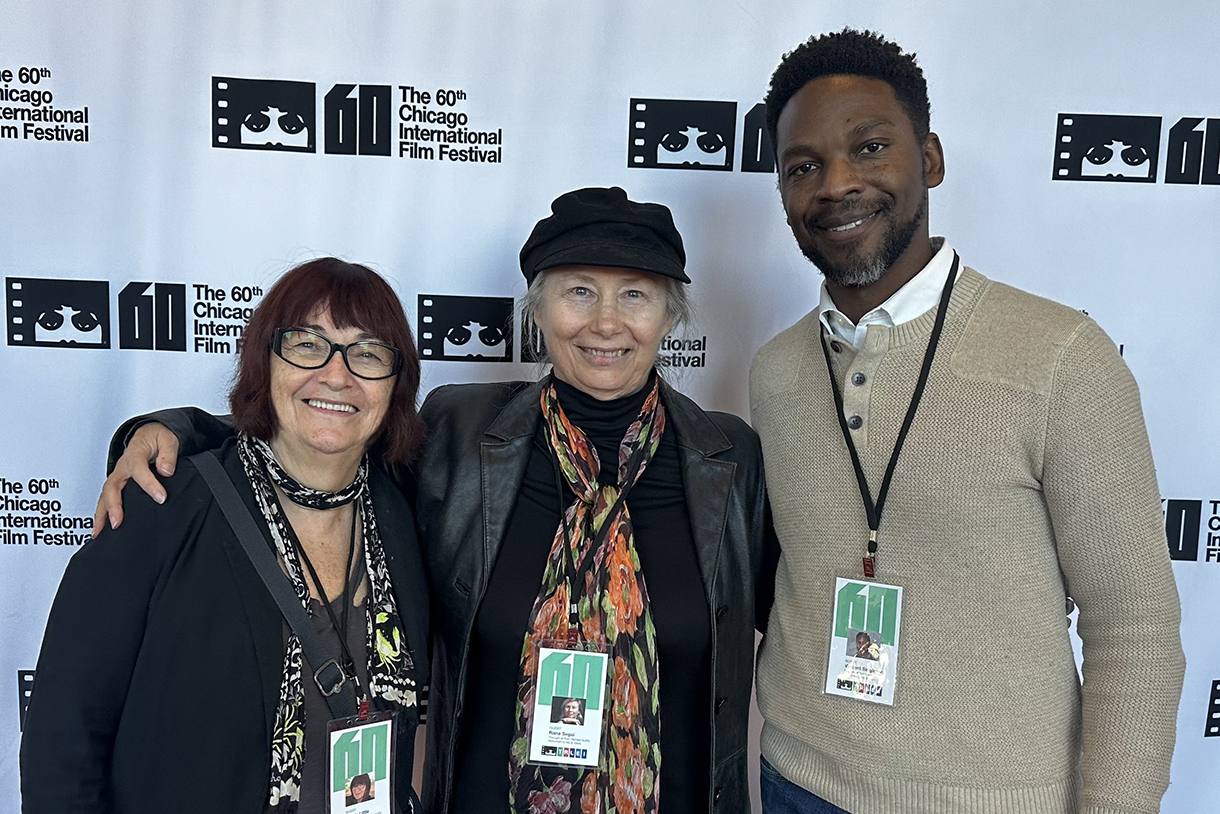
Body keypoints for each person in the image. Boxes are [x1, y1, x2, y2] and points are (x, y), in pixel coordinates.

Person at [95, 187, 775, 814]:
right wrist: (176, 431)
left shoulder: (728, 461)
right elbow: (319, 443)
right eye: (578, 292)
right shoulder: (461, 435)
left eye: (635, 295)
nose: (605, 323)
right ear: (537, 311)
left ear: (670, 316)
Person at [750, 29, 1184, 814]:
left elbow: (1136, 627)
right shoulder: (775, 371)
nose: (837, 183)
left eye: (870, 147)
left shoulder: (1061, 358)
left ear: (932, 159)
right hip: (795, 776)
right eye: (803, 166)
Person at [21, 259, 430, 814]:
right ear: (265, 360)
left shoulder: (404, 509)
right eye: (308, 345)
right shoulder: (161, 507)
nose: (337, 375)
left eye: (368, 353)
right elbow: (63, 741)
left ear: (395, 384)